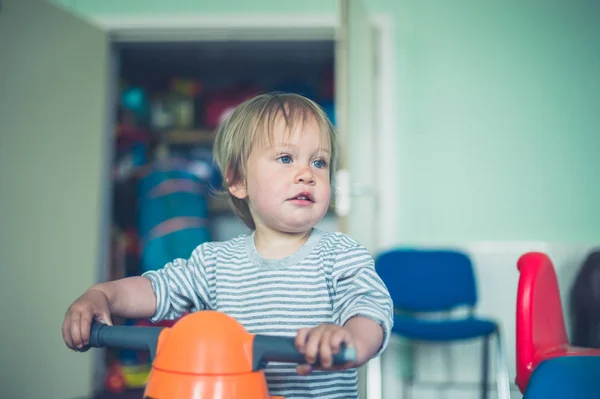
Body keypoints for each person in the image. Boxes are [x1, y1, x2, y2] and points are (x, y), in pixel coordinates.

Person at [62, 92, 394, 398]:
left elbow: (370, 310)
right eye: (285, 158)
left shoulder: (340, 255)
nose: (307, 173)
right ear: (238, 181)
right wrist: (102, 294)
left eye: (319, 162)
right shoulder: (214, 262)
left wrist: (349, 340)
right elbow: (157, 288)